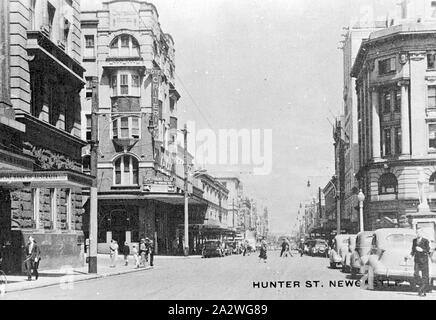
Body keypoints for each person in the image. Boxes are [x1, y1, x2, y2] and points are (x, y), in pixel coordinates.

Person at [410, 228, 431, 296]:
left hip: (424, 260)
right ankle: (422, 286)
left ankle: (422, 290)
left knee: (425, 276)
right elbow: (413, 250)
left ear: (422, 233)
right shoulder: (414, 240)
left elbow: (428, 250)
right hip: (417, 260)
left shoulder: (426, 241)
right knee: (416, 274)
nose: (417, 234)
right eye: (417, 233)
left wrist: (422, 250)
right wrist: (410, 256)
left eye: (419, 233)